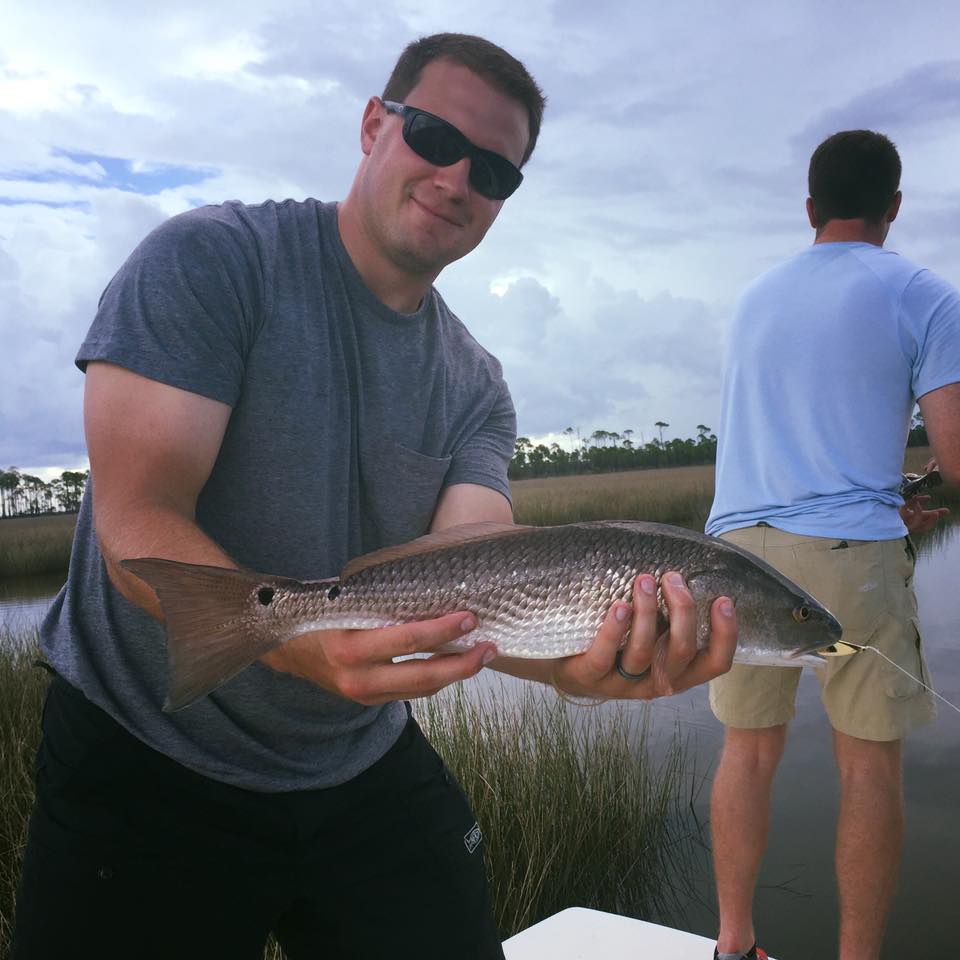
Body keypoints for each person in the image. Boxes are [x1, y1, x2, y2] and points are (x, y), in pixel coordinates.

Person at [11, 33, 738, 960]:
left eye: (495, 172)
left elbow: (472, 567)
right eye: (434, 137)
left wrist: (575, 666)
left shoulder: (476, 383)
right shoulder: (213, 261)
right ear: (372, 126)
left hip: (353, 750)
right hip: (142, 748)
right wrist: (291, 640)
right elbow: (134, 517)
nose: (456, 178)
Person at [706, 129, 960, 960]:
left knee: (746, 752)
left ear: (809, 209)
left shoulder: (752, 297)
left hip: (732, 554)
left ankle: (734, 945)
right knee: (869, 769)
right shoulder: (922, 291)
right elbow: (957, 459)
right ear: (893, 207)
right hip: (849, 559)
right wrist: (923, 494)